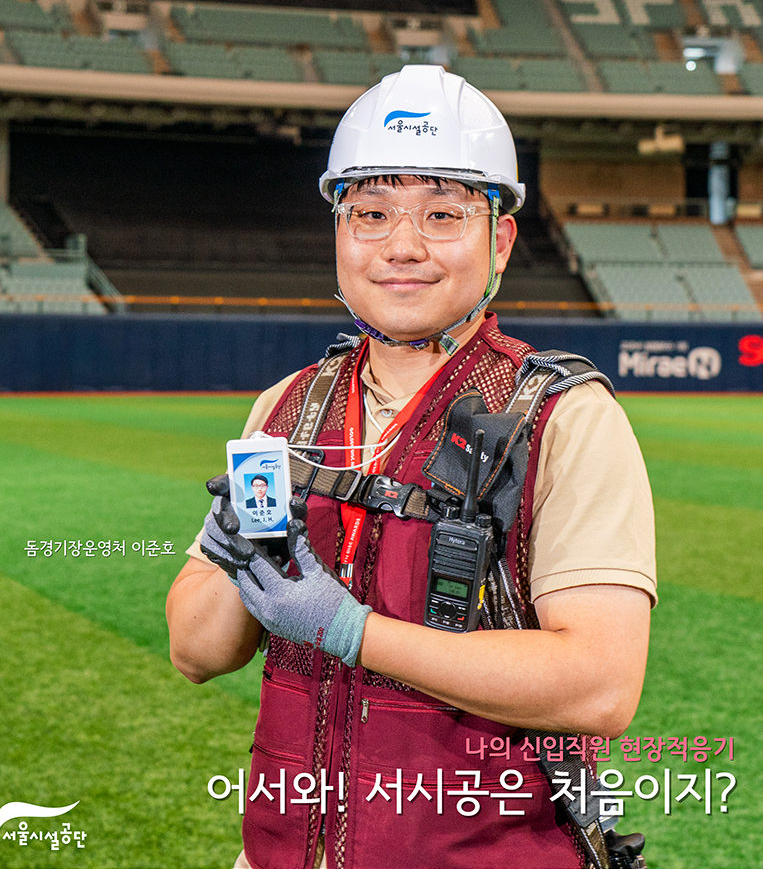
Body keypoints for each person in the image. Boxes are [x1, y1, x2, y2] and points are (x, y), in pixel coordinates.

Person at [166, 64, 656, 869]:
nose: (401, 246)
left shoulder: (564, 417)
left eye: (442, 215)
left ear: (498, 238)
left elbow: (597, 686)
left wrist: (349, 631)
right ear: (338, 233)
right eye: (370, 214)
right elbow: (197, 653)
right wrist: (236, 553)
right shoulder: (288, 408)